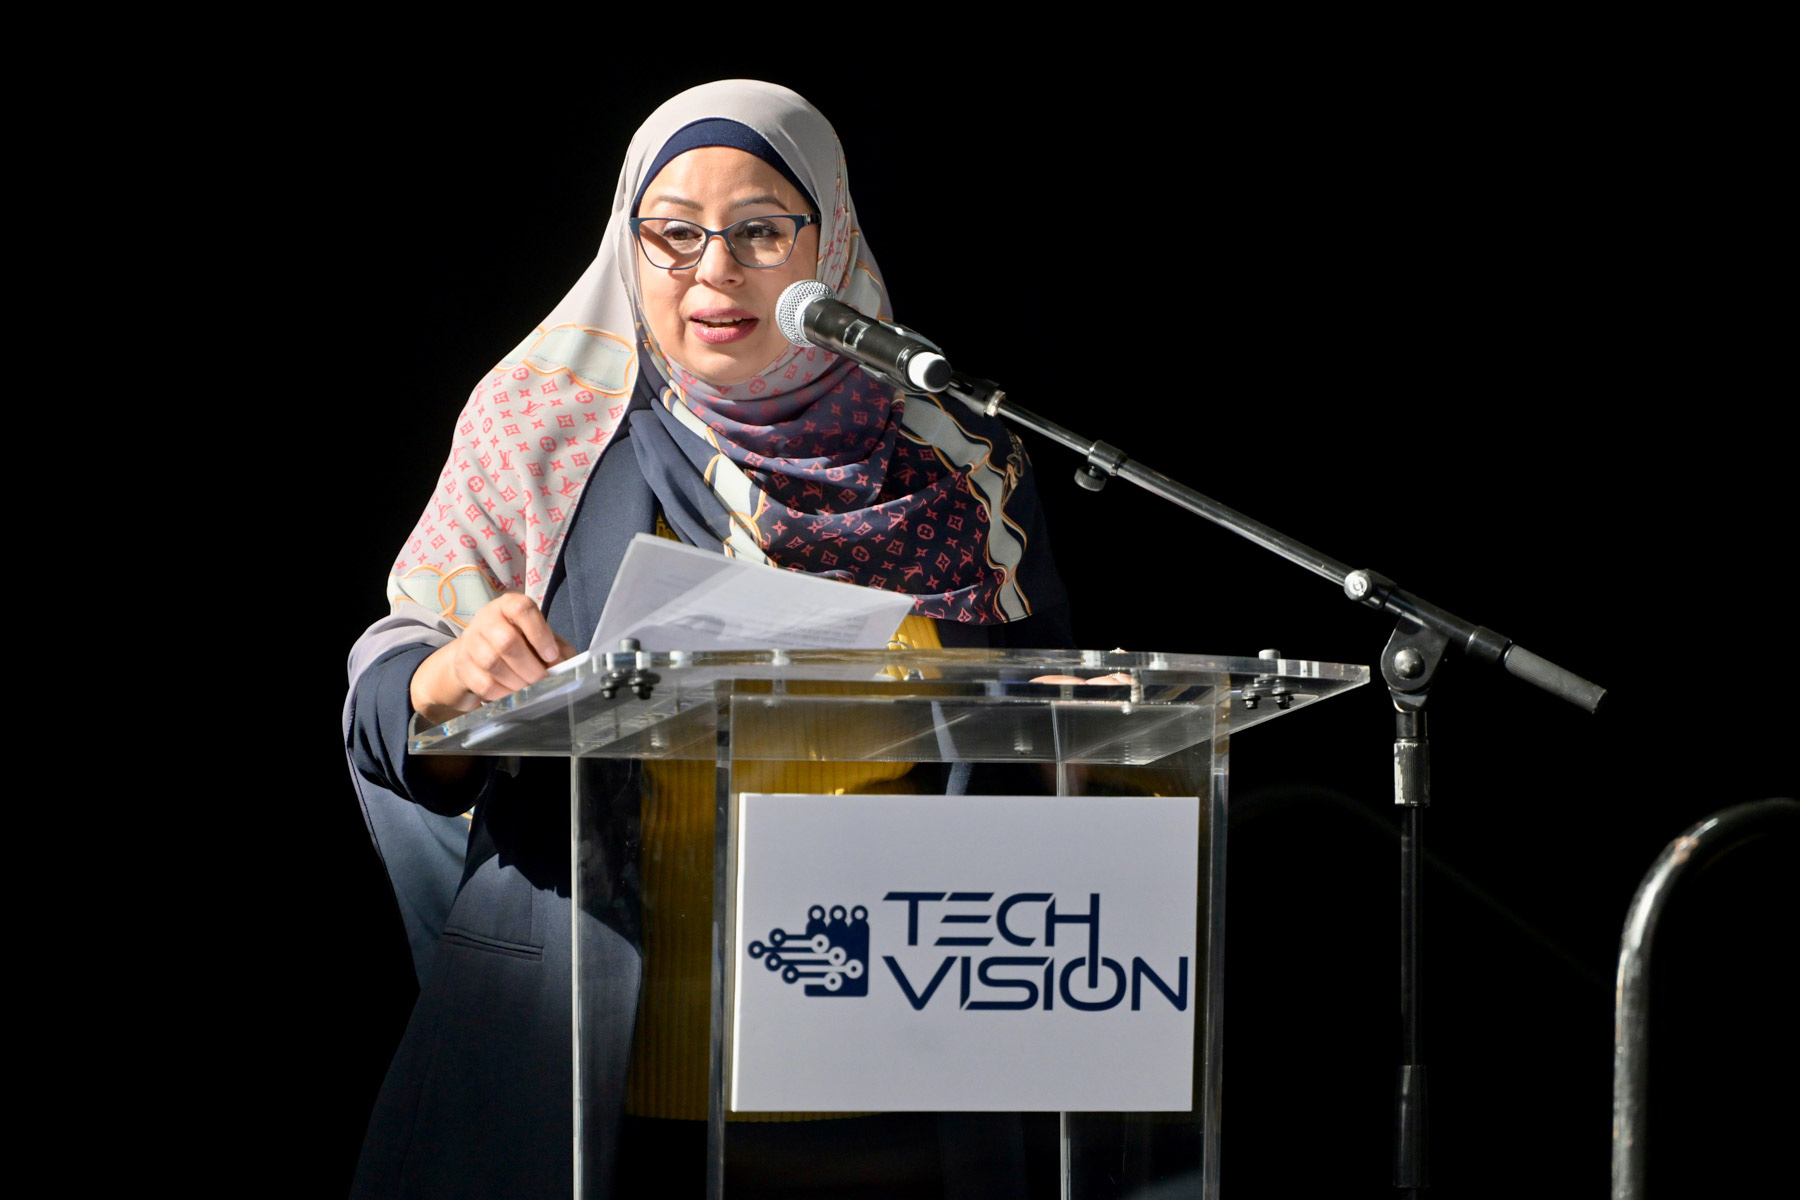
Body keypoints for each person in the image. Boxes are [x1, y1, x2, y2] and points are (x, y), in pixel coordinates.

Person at [345, 80, 1071, 1198]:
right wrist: (444, 679)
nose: (714, 271)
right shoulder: (548, 430)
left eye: (761, 231)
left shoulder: (954, 465)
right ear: (628, 242)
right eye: (674, 233)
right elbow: (388, 705)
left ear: (831, 243)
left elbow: (1055, 741)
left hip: (895, 1078)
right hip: (590, 1088)